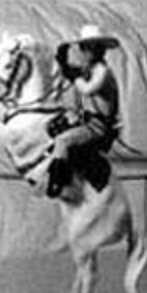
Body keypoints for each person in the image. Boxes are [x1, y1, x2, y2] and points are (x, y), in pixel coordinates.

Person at [46, 24, 121, 196]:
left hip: (99, 125)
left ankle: (58, 183)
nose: (87, 52)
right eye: (84, 47)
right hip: (87, 119)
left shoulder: (102, 71)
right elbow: (76, 97)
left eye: (93, 47)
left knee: (63, 141)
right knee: (52, 128)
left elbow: (88, 89)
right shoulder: (90, 69)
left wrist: (73, 75)